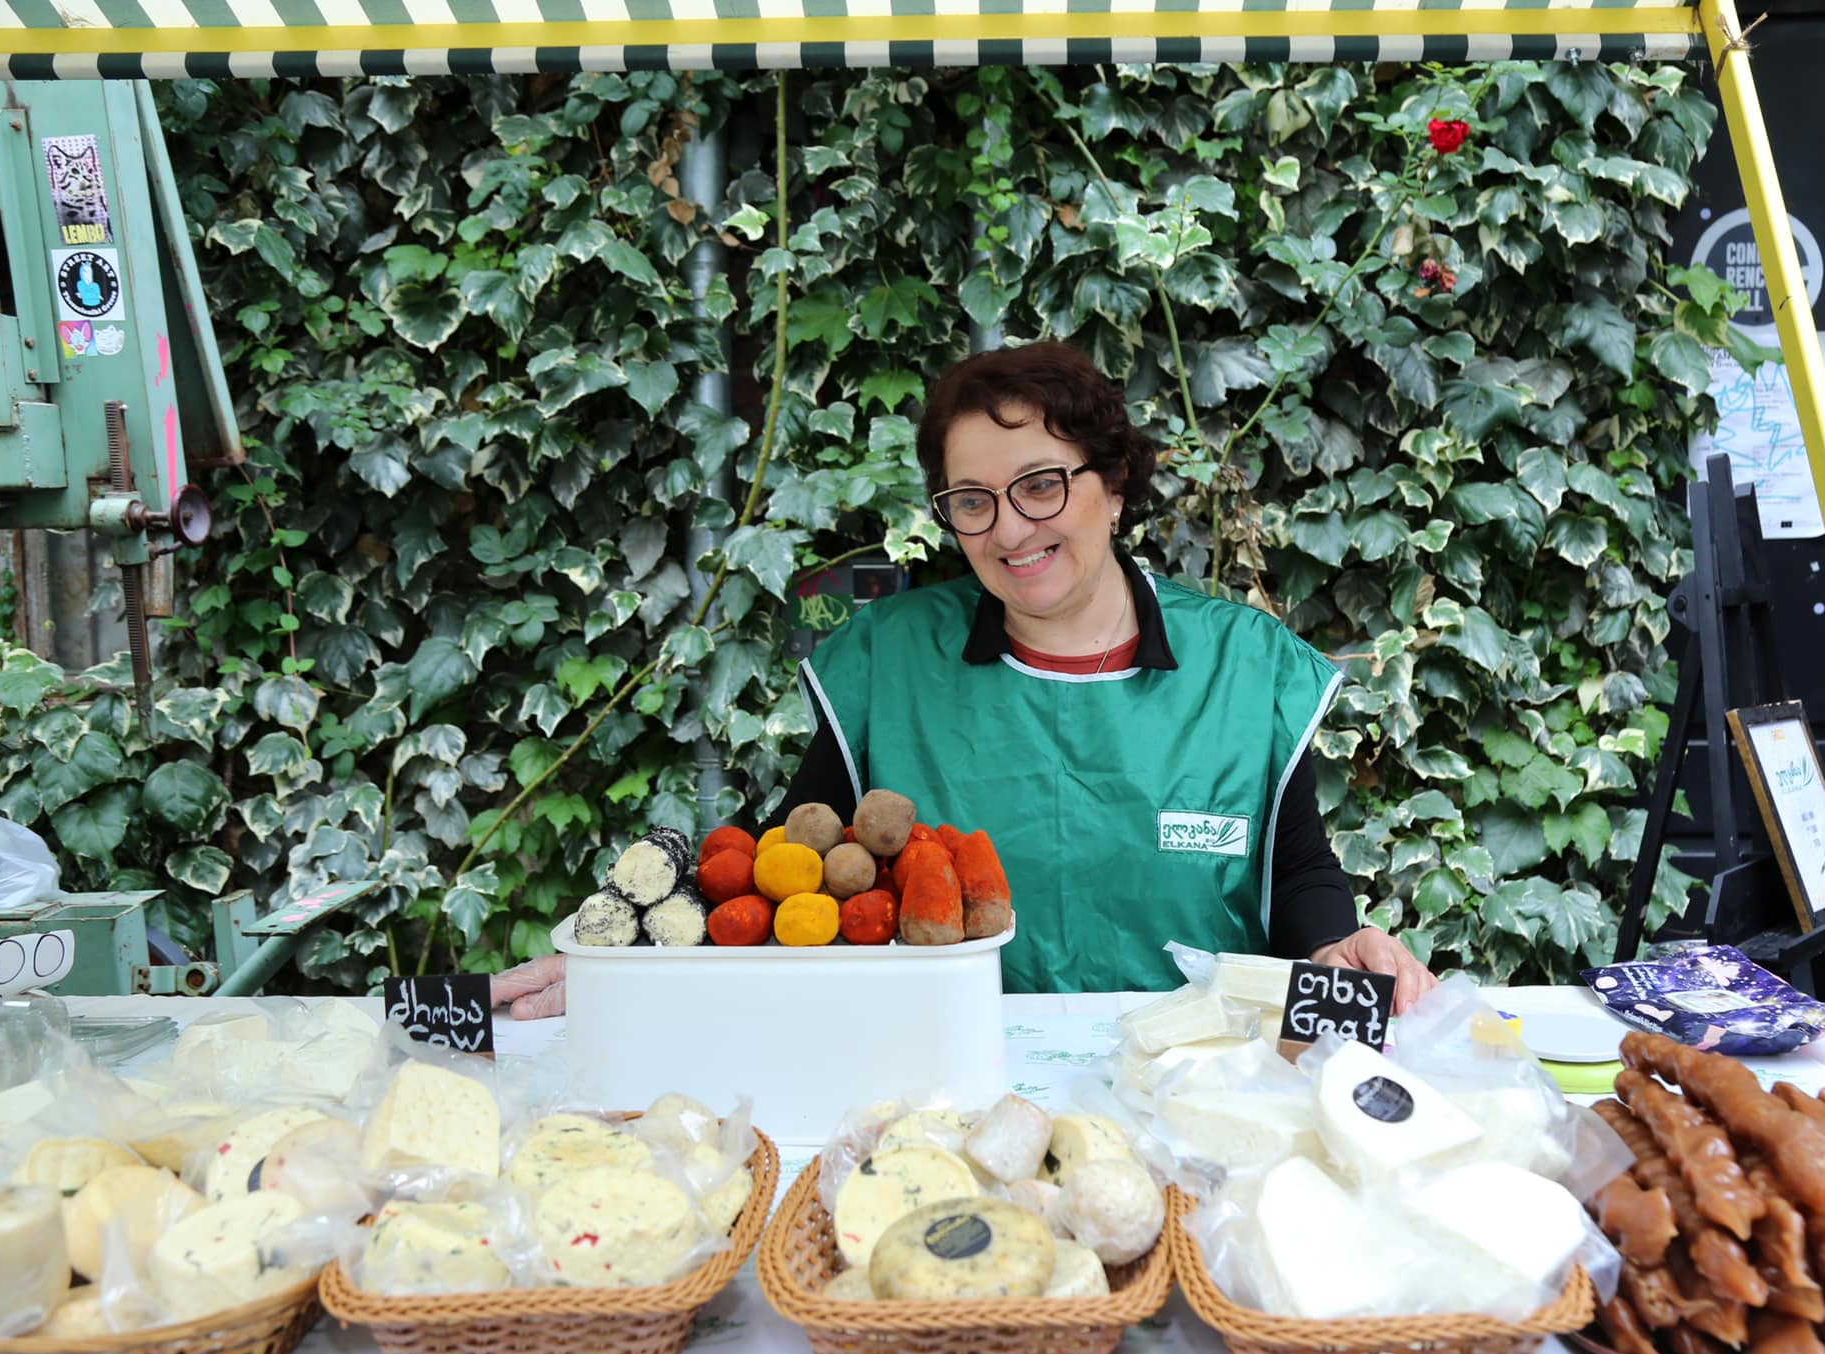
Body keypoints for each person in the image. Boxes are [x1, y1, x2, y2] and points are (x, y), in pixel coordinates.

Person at [494, 342, 1435, 1019]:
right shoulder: (890, 661)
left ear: (1113, 485)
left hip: (1197, 1080)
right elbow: (791, 867)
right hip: (942, 1079)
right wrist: (632, 971)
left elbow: (1295, 869)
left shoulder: (1244, 665)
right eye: (972, 502)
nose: (1010, 529)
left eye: (1041, 485)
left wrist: (1334, 948)